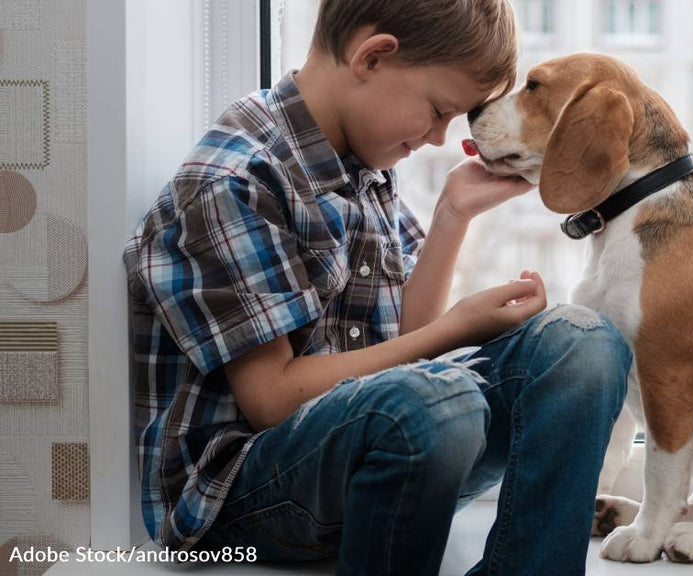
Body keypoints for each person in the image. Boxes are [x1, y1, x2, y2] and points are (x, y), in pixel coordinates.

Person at [121, 1, 631, 574]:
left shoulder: (363, 161)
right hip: (243, 493)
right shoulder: (232, 183)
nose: (439, 139)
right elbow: (271, 401)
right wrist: (455, 329)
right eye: (438, 111)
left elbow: (402, 343)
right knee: (440, 401)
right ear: (374, 56)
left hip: (398, 444)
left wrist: (453, 215)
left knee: (584, 341)